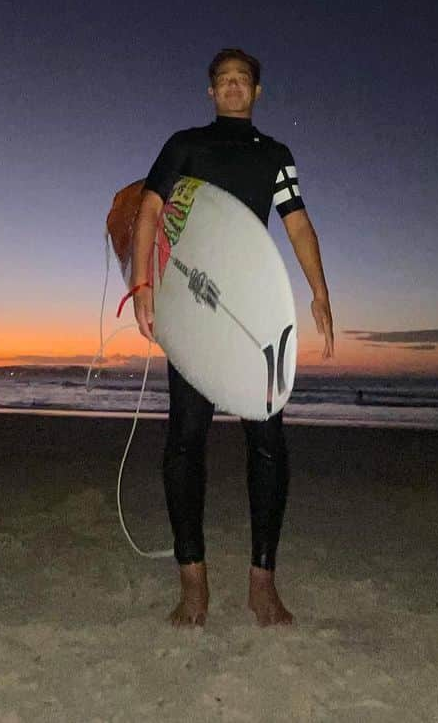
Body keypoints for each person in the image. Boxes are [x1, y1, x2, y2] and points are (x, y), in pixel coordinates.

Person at [129, 49, 334, 627]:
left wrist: (318, 290)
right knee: (184, 441)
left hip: (249, 316)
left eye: (242, 80)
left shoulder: (275, 156)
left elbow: (297, 223)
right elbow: (148, 210)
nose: (233, 87)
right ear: (210, 92)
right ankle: (193, 582)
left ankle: (261, 582)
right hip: (194, 309)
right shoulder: (184, 144)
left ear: (258, 91)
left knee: (268, 442)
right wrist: (144, 284)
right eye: (223, 81)